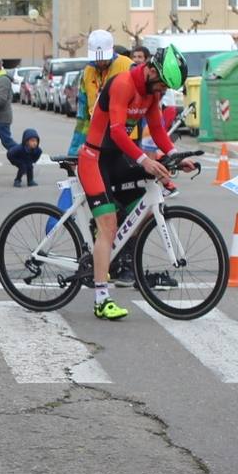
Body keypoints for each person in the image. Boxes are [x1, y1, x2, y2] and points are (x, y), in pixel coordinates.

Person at [77, 46, 199, 320]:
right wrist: (145, 160)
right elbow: (118, 131)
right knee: (108, 225)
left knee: (149, 191)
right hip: (94, 158)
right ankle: (101, 299)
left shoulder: (151, 93)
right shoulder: (123, 84)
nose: (163, 92)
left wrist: (175, 157)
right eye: (163, 85)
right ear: (152, 70)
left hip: (117, 158)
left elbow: (157, 129)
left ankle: (110, 237)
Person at [68, 30, 131, 157]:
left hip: (126, 138)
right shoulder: (87, 72)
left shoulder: (128, 66)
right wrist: (74, 150)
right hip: (98, 138)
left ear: (112, 50)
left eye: (104, 58)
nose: (100, 62)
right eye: (97, 59)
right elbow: (83, 116)